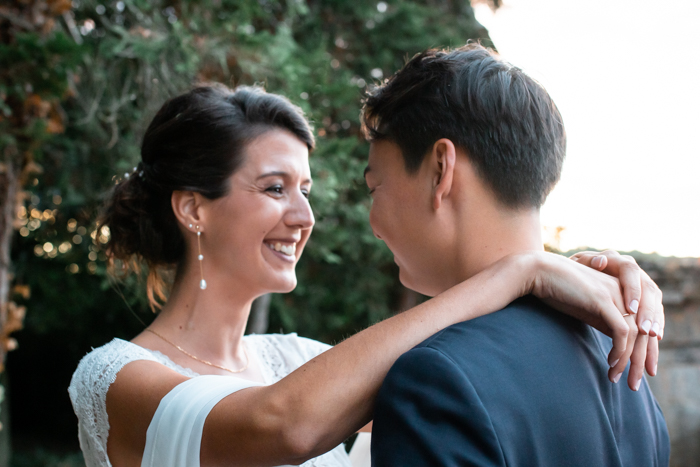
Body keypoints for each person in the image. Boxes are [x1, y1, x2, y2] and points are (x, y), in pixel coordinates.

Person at [67, 83, 664, 467]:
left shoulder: (298, 361)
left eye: (306, 190)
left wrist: (601, 277)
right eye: (275, 189)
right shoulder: (114, 377)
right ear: (194, 208)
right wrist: (518, 270)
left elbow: (488, 386)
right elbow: (279, 425)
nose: (304, 217)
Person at [365, 44, 670, 466]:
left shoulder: (436, 377)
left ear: (440, 170)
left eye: (374, 187)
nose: (373, 222)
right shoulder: (618, 354)